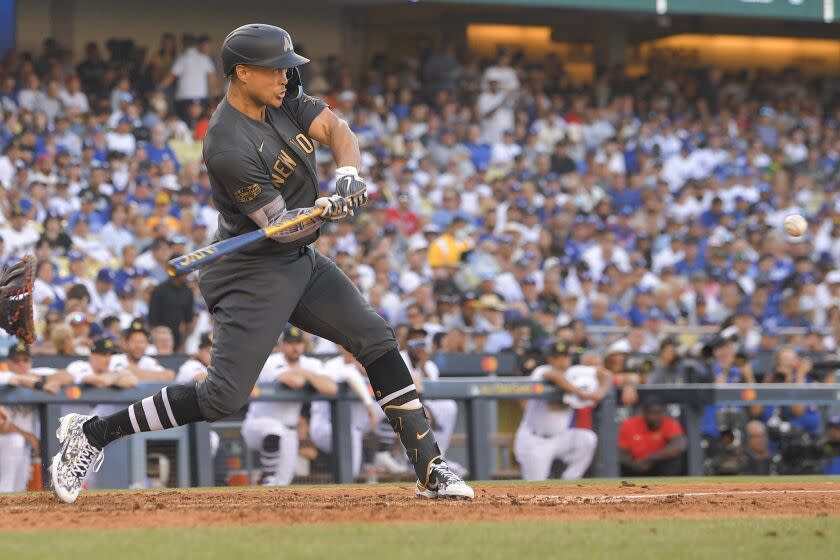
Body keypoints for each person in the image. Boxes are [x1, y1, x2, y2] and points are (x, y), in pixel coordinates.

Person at [52, 24, 473, 503]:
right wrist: (321, 211)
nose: (286, 78)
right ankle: (93, 433)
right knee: (222, 399)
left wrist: (347, 174)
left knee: (374, 336)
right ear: (242, 72)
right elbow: (282, 225)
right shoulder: (226, 146)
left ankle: (431, 468)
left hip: (297, 258)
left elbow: (337, 129)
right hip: (251, 269)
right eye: (275, 70)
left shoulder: (284, 96)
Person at [241, 327, 336, 486]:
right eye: (290, 343)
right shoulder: (271, 361)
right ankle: (268, 475)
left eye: (298, 343)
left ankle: (266, 491)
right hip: (258, 425)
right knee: (274, 430)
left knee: (282, 483)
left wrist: (302, 372)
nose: (295, 347)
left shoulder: (309, 363)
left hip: (289, 431)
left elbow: (331, 388)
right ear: (282, 345)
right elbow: (294, 382)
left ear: (304, 345)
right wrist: (308, 376)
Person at [513, 343, 609, 481]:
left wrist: (599, 393)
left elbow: (604, 374)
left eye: (565, 356)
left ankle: (570, 479)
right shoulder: (541, 370)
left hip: (560, 437)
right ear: (550, 359)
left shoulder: (574, 372)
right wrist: (580, 393)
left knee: (587, 439)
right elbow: (554, 376)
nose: (562, 360)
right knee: (536, 489)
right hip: (535, 441)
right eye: (557, 357)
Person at [309, 346, 395, 479]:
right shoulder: (334, 365)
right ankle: (349, 480)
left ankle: (379, 456)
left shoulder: (364, 367)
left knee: (392, 406)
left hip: (350, 424)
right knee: (352, 434)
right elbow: (350, 376)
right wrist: (369, 407)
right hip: (324, 426)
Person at [618, 398, 687, 476]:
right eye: (652, 413)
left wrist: (650, 459)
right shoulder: (629, 424)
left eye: (659, 413)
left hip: (658, 463)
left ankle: (667, 486)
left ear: (664, 412)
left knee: (675, 460)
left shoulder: (669, 423)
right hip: (635, 466)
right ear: (644, 413)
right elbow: (622, 452)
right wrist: (633, 464)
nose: (655, 417)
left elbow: (678, 445)